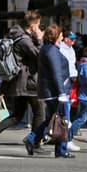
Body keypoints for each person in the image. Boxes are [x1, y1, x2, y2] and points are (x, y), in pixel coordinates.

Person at [0, 12, 45, 152]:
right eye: (38, 25)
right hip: (28, 83)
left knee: (17, 115)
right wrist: (39, 39)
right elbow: (39, 56)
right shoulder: (25, 41)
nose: (39, 28)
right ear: (33, 25)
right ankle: (34, 142)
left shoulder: (15, 36)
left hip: (18, 82)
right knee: (39, 112)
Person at [24, 25, 72, 158]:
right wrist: (62, 92)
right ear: (56, 36)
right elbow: (56, 72)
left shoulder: (48, 49)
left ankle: (32, 139)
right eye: (61, 35)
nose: (62, 37)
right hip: (55, 91)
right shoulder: (51, 51)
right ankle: (61, 150)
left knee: (52, 119)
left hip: (51, 90)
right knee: (62, 120)